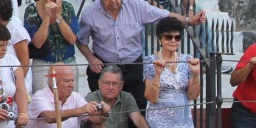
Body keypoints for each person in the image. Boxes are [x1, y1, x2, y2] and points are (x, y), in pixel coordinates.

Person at [77, 0, 205, 112]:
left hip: (134, 67)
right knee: (105, 112)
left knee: (138, 110)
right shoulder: (89, 13)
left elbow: (164, 15)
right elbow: (80, 40)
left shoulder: (136, 5)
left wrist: (189, 20)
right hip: (104, 68)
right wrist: (90, 58)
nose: (113, 2)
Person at [143, 17, 199, 128]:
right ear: (160, 39)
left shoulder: (187, 59)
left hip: (184, 122)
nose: (173, 41)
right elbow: (151, 98)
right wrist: (157, 74)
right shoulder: (150, 61)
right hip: (159, 122)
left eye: (177, 37)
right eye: (168, 37)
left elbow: (192, 96)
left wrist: (196, 75)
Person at [82, 64, 159, 128]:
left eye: (114, 83)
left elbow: (137, 117)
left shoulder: (127, 97)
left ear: (121, 85)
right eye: (106, 83)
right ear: (99, 83)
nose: (111, 87)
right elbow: (93, 125)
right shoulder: (91, 98)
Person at [23, 62, 99, 128]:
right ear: (53, 81)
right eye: (66, 81)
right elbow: (50, 118)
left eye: (72, 80)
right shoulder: (39, 96)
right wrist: (80, 110)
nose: (71, 85)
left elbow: (94, 119)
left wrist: (103, 112)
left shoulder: (75, 97)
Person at [23, 0, 79, 93]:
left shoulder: (67, 7)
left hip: (68, 63)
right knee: (43, 102)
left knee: (70, 102)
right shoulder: (32, 10)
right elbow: (37, 43)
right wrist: (47, 17)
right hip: (43, 65)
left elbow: (72, 39)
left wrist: (58, 15)